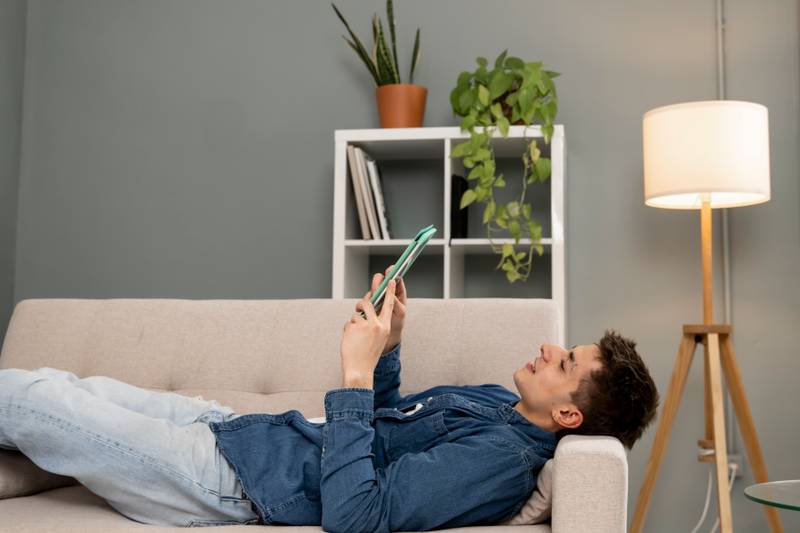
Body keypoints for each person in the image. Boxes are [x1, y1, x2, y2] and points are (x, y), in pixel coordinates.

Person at [0, 268, 659, 532]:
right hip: (241, 429)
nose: (548, 350)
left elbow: (358, 514)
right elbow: (387, 428)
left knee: (31, 400)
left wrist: (354, 371)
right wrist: (391, 345)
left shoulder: (499, 462)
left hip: (233, 479)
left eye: (565, 362)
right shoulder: (497, 403)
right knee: (63, 388)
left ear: (569, 414)